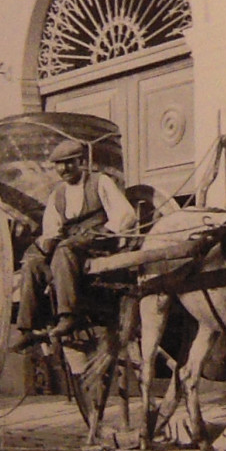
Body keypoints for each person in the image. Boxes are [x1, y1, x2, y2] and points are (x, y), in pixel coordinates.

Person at [14, 139, 136, 348]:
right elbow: (52, 227)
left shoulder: (100, 182)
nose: (64, 169)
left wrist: (108, 230)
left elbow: (125, 213)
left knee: (64, 249)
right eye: (59, 165)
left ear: (80, 161)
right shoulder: (58, 194)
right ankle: (28, 328)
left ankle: (68, 315)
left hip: (99, 243)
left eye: (69, 162)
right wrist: (46, 243)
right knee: (33, 263)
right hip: (71, 245)